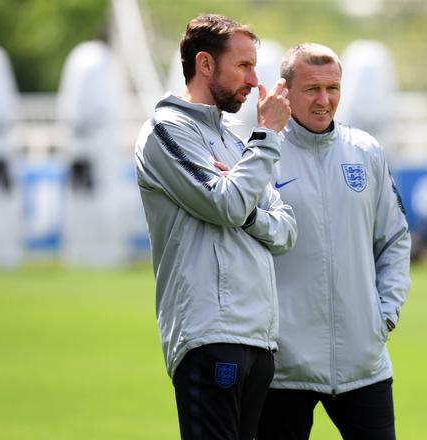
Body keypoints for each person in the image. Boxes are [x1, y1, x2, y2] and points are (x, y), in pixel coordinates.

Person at [135, 14, 296, 440]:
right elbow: (227, 202)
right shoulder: (165, 131)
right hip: (209, 334)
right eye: (242, 65)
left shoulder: (237, 143)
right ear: (205, 64)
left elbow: (285, 230)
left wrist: (244, 202)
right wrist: (267, 137)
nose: (253, 79)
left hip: (259, 339)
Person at [257, 43, 412, 440]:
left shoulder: (366, 151)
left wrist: (385, 314)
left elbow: (394, 238)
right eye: (312, 89)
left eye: (333, 88)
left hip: (364, 360)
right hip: (284, 366)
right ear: (285, 91)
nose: (324, 100)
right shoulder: (261, 155)